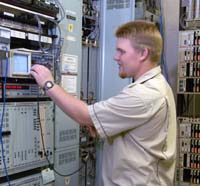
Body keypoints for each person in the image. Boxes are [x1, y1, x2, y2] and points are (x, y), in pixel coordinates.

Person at [30, 20, 177, 186]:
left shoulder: (145, 94)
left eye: (121, 51)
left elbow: (84, 115)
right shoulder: (157, 85)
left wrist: (48, 84)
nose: (116, 57)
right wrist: (102, 124)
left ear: (143, 53)